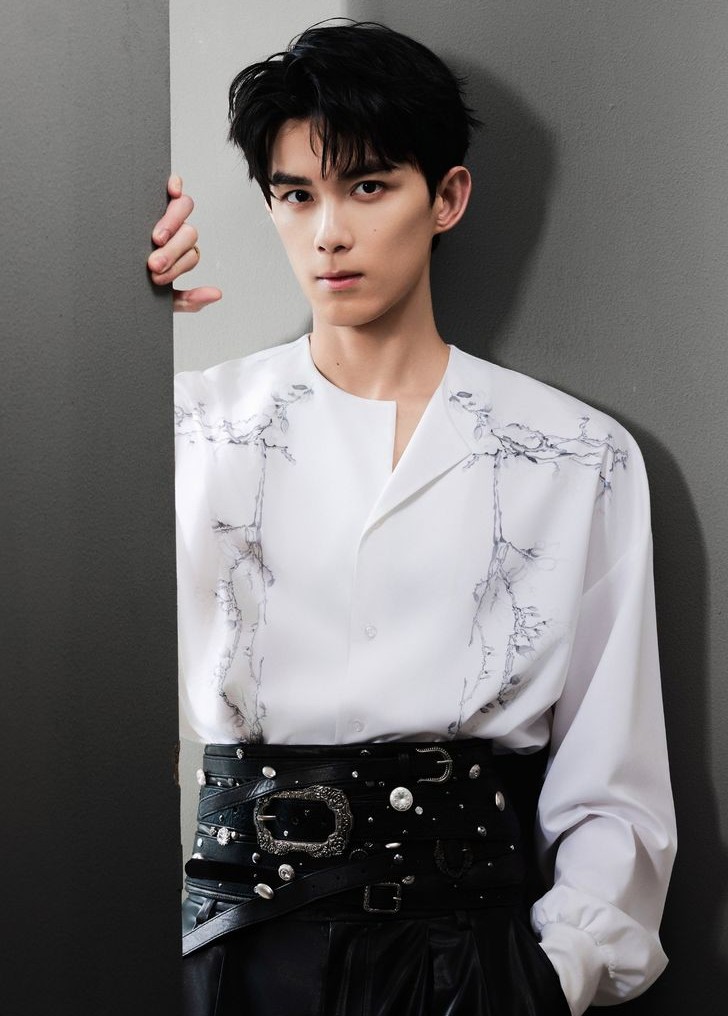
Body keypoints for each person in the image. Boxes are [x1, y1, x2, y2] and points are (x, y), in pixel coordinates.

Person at [148, 21, 676, 1016]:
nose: (327, 234)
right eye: (295, 194)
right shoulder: (183, 428)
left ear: (446, 197)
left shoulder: (574, 453)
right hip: (235, 948)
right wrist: (99, 326)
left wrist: (551, 974)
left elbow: (614, 781)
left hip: (466, 952)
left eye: (367, 187)